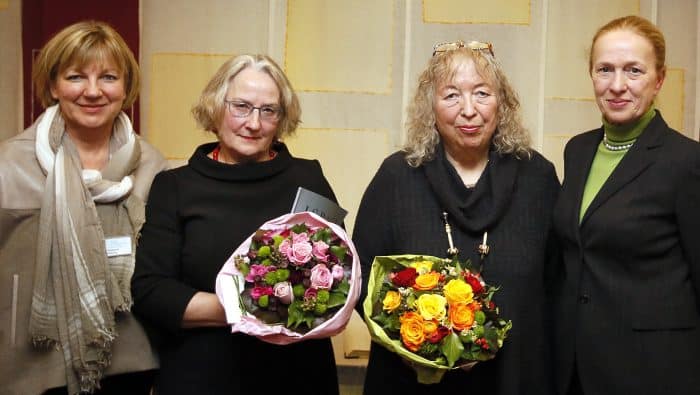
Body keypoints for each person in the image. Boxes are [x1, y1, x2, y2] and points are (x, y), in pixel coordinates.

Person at [353, 40, 560, 394]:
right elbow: (361, 280)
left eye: (482, 93)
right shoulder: (396, 176)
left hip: (515, 378)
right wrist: (407, 345)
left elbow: (560, 282)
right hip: (413, 381)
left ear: (503, 103)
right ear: (430, 107)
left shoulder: (537, 177)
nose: (469, 110)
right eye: (451, 96)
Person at [131, 54, 341, 395]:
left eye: (268, 110)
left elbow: (339, 273)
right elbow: (152, 291)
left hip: (297, 375)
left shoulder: (308, 178)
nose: (254, 123)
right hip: (203, 374)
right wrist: (250, 306)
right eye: (241, 106)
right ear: (215, 107)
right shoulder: (175, 187)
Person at [0, 20, 168, 395]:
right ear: (53, 85)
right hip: (32, 364)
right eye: (76, 77)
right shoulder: (8, 164)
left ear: (126, 88)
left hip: (131, 358)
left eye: (108, 77)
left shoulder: (154, 167)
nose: (93, 92)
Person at [552, 15, 700, 395]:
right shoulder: (579, 150)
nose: (617, 85)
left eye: (634, 71)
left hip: (653, 370)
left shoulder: (686, 161)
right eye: (605, 70)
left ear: (659, 80)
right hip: (575, 368)